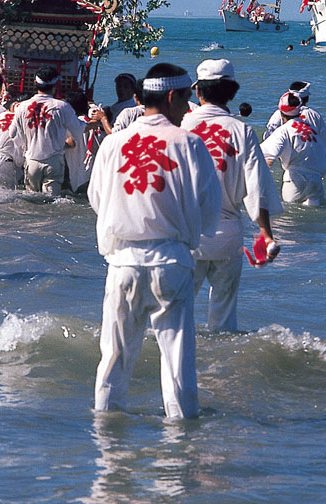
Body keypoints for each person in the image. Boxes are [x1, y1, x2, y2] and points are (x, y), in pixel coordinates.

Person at [88, 62, 221, 418]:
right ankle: (180, 451)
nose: (188, 106)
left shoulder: (114, 143)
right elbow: (211, 211)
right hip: (171, 263)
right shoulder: (190, 143)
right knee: (178, 366)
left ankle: (108, 451)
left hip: (123, 264)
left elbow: (97, 200)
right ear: (173, 96)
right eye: (186, 98)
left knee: (113, 361)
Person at [180, 59, 282, 331]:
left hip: (187, 236)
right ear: (232, 92)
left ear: (198, 92)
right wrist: (265, 233)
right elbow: (257, 186)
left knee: (176, 317)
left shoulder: (181, 127)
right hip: (228, 237)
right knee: (224, 321)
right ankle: (221, 368)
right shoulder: (243, 131)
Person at [11, 66, 86, 195]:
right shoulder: (62, 106)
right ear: (55, 84)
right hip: (54, 161)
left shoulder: (22, 107)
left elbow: (12, 134)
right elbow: (78, 130)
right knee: (52, 202)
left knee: (31, 200)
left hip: (32, 161)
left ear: (35, 83)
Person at [261, 91, 326, 206]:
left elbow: (268, 158)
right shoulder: (312, 130)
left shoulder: (284, 130)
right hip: (316, 181)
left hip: (294, 181)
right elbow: (325, 141)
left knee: (288, 219)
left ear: (281, 113)